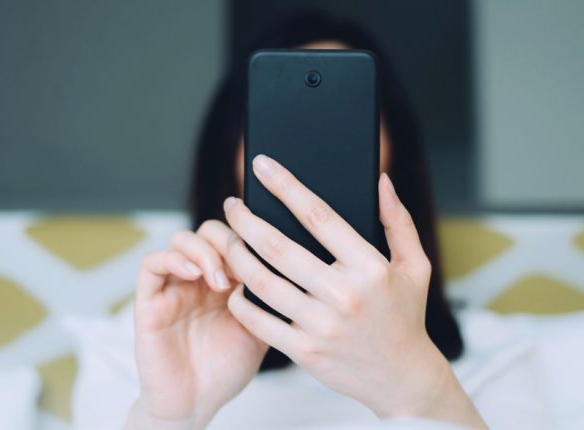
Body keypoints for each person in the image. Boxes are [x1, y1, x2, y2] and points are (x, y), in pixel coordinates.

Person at [125, 12, 487, 430]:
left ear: (395, 155)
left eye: (345, 122)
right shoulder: (144, 343)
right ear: (230, 155)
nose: (309, 165)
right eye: (282, 127)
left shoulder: (496, 354)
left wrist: (419, 385)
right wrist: (172, 416)